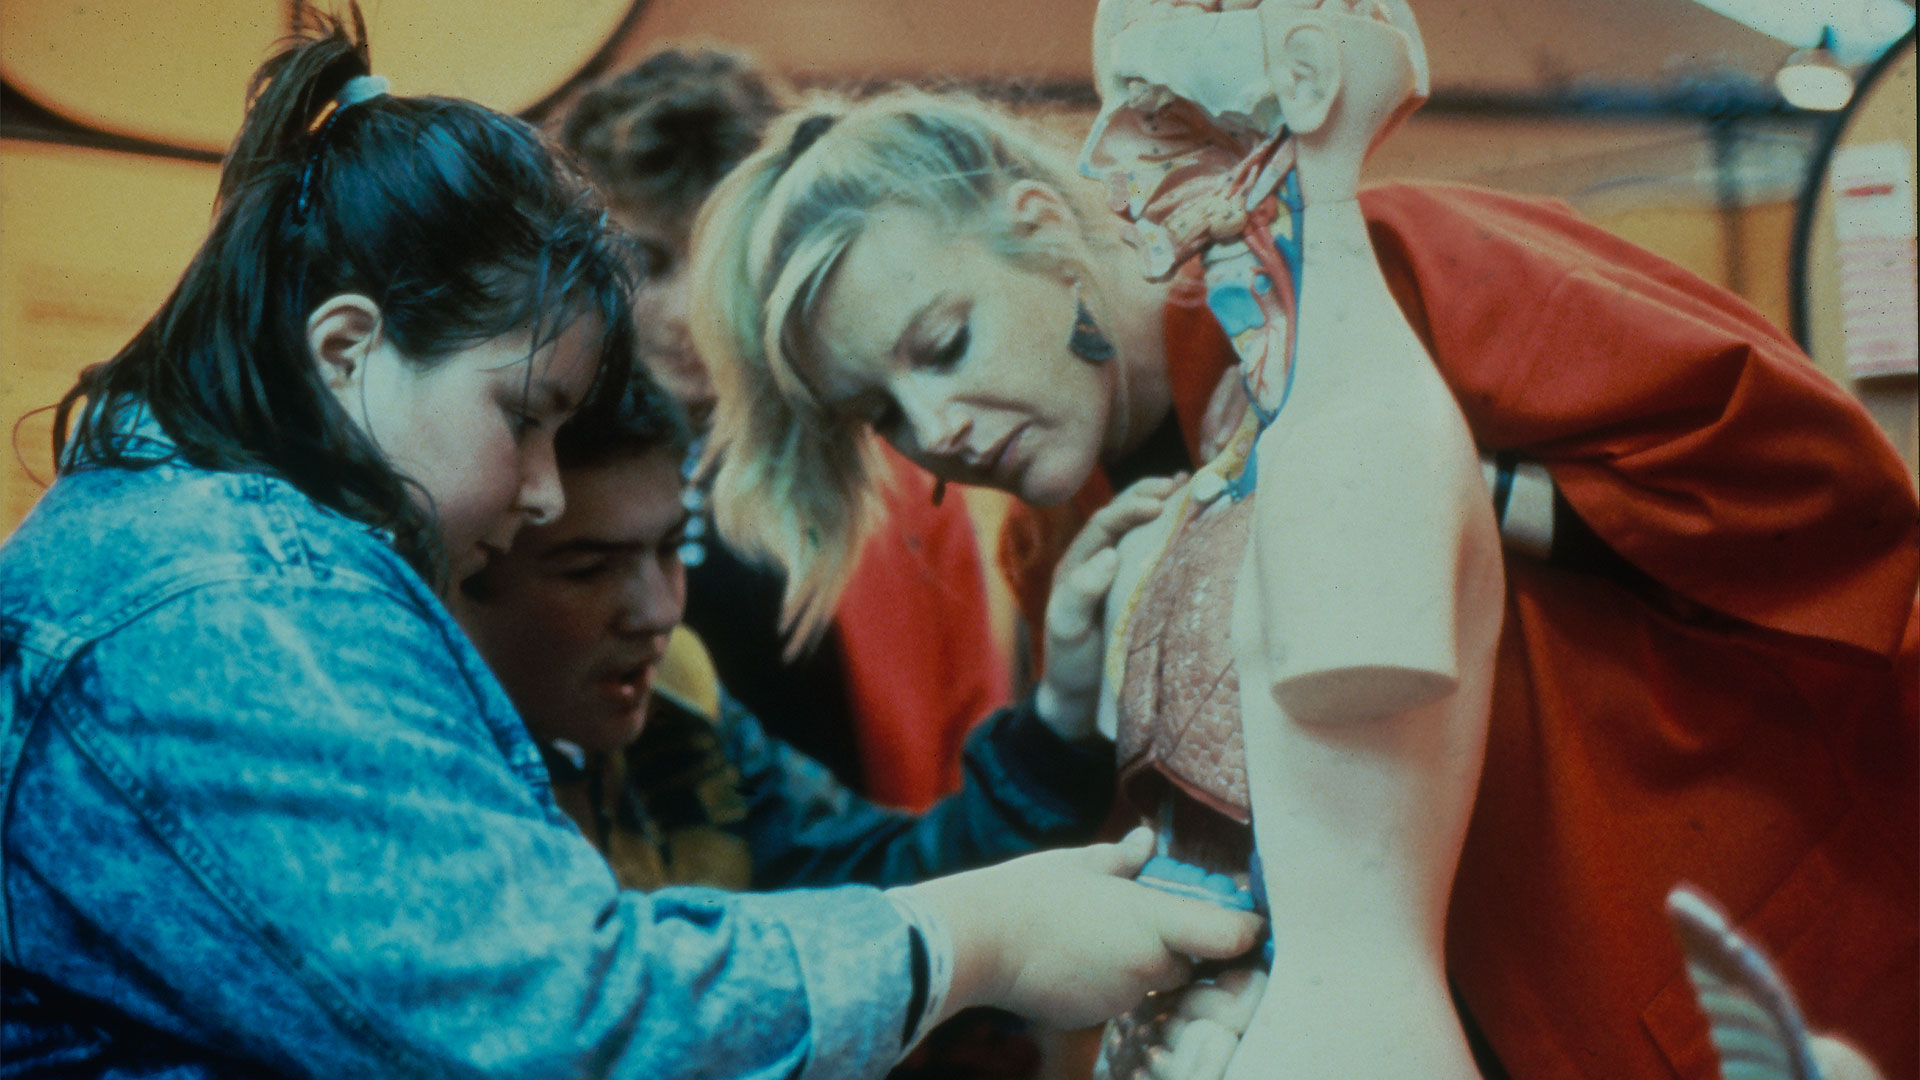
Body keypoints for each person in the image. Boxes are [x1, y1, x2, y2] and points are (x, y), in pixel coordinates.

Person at [0, 12, 1264, 1078]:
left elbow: (852, 863)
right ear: (347, 354)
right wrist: (966, 940)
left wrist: (1049, 726)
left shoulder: (242, 569)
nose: (543, 494)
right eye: (522, 419)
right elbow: (546, 1017)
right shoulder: (221, 600)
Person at [685, 78, 1919, 1080]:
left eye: (943, 346)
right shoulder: (1056, 542)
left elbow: (1821, 491)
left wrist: (1454, 490)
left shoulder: (1386, 277)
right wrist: (1068, 718)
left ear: (1041, 223)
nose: (936, 427)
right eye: (879, 414)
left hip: (1743, 956)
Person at [558, 47, 1009, 812]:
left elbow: (968, 724)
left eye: (719, 259)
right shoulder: (546, 472)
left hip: (876, 884)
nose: (684, 308)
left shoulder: (898, 460)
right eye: (648, 260)